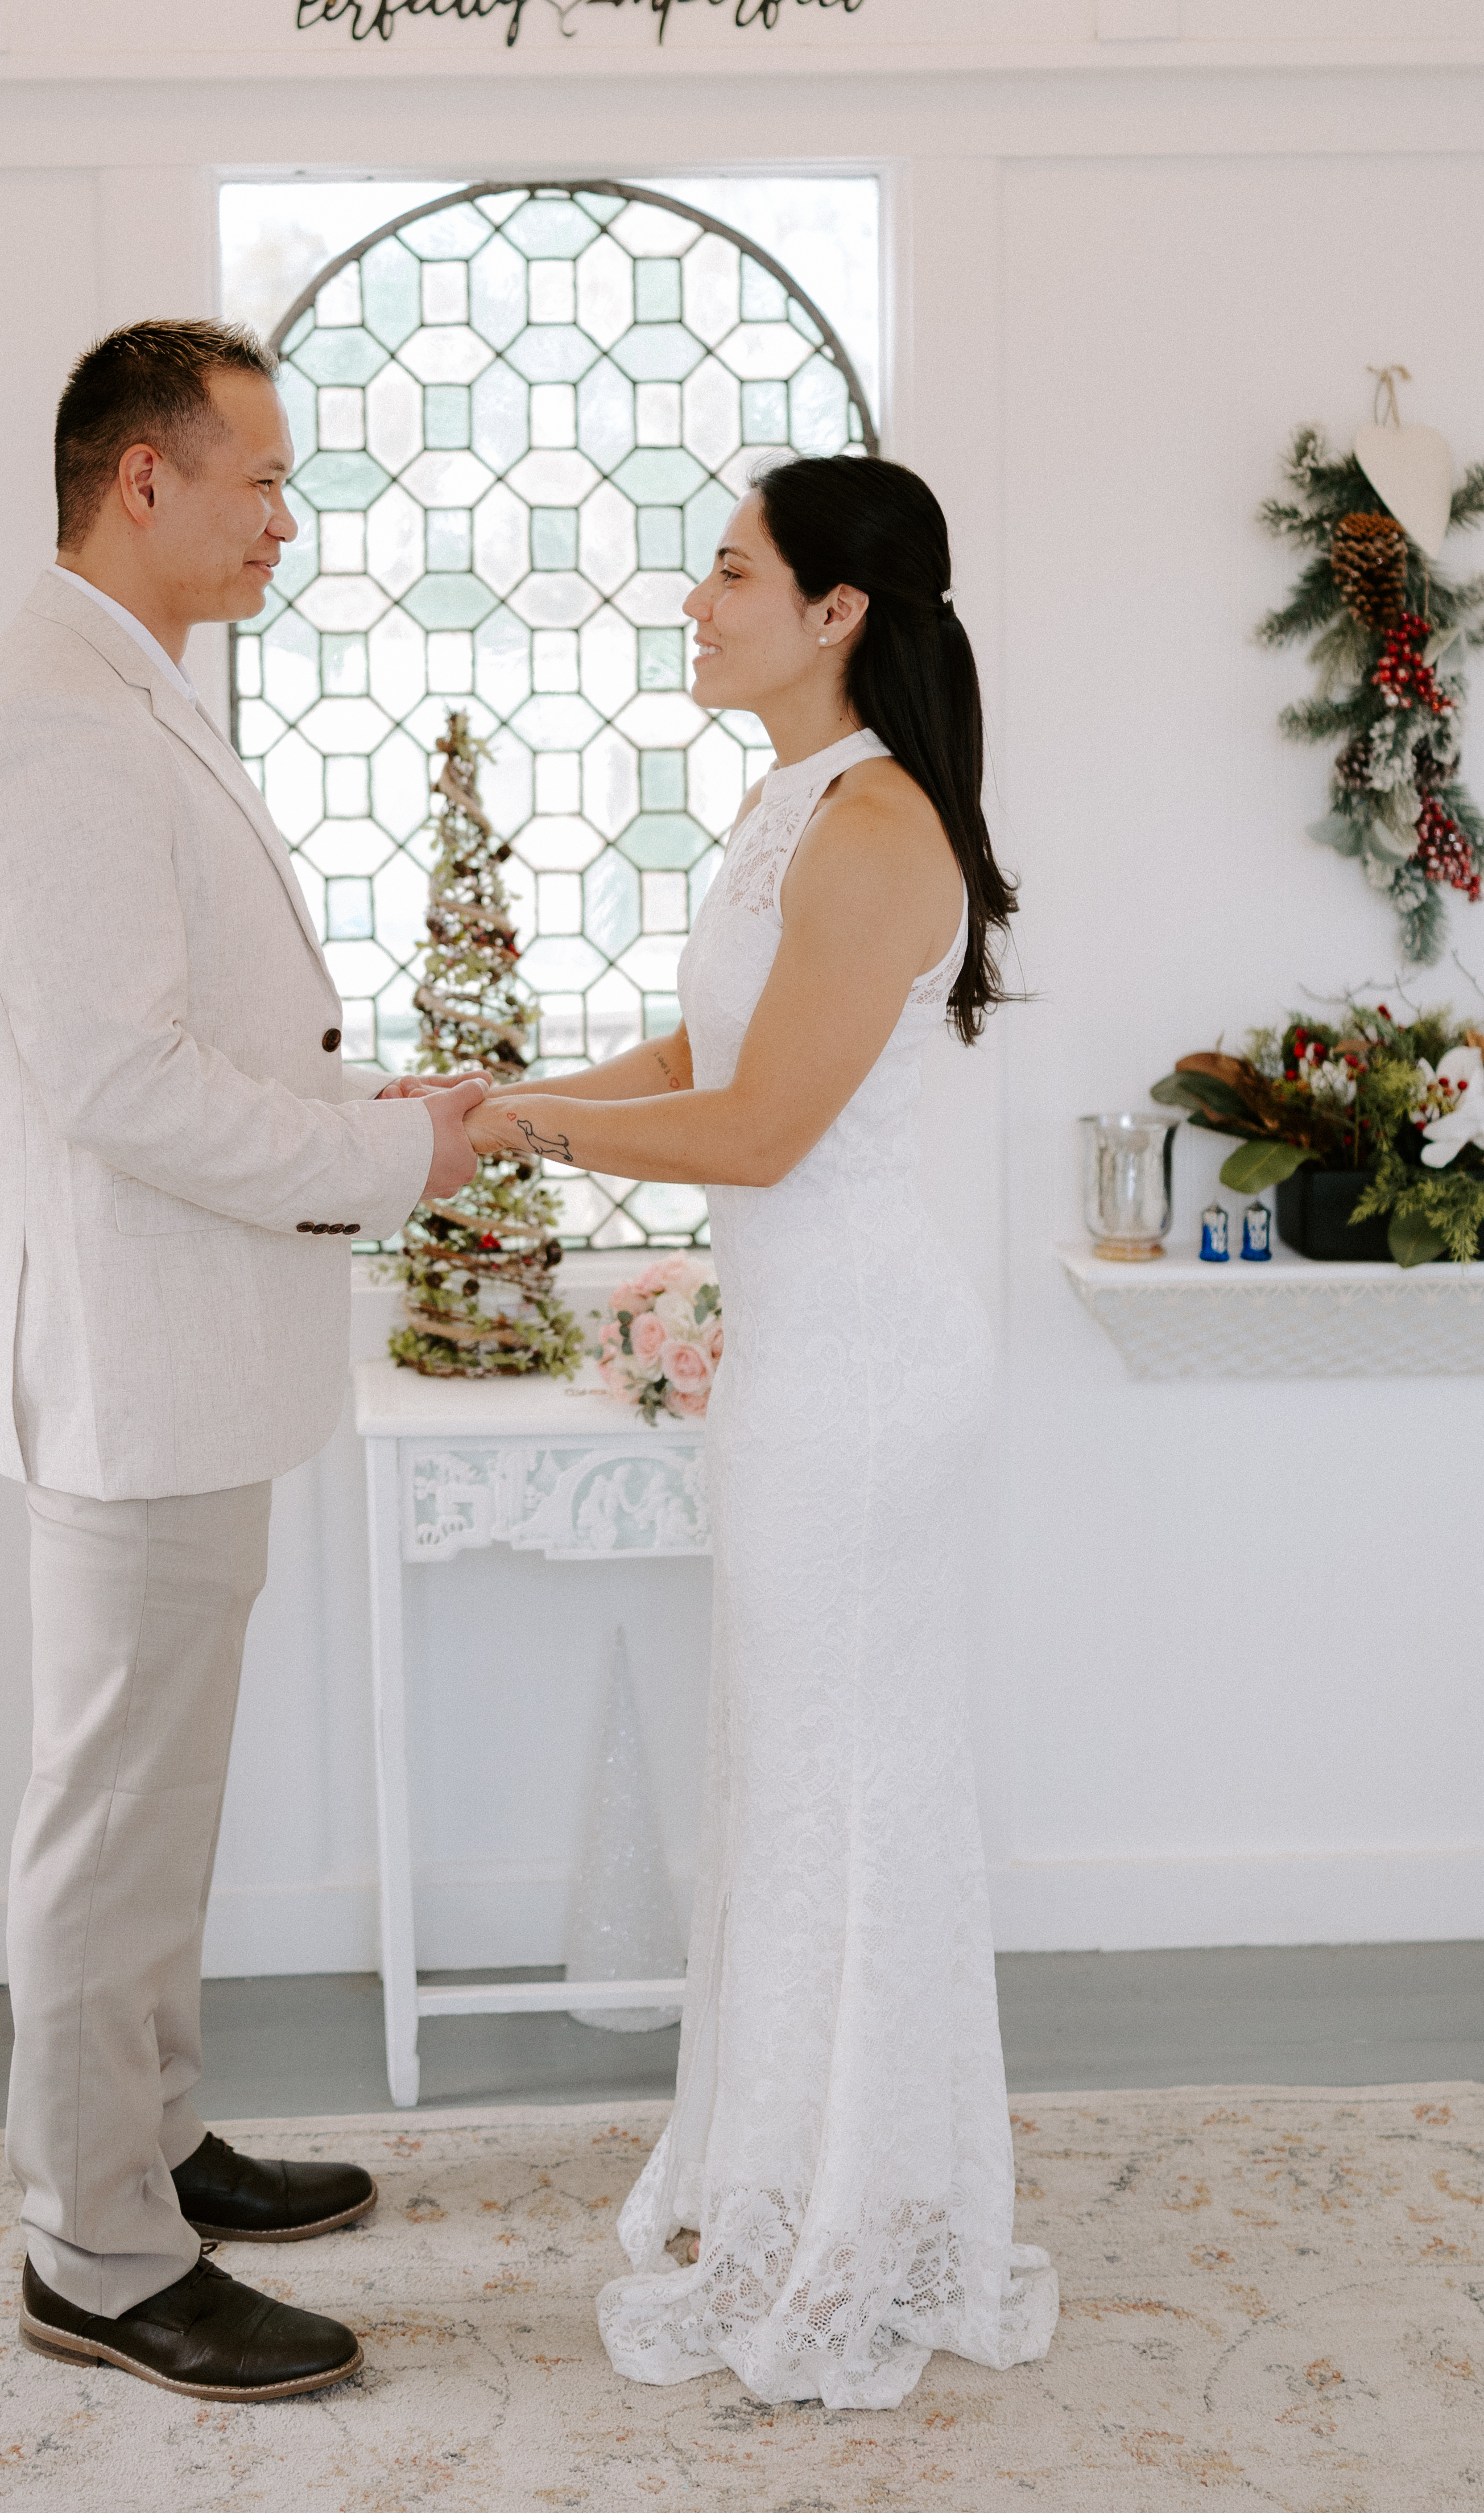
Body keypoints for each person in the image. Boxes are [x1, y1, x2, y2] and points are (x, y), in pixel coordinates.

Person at [466, 452, 1057, 2411]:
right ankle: (799, 2179)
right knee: (797, 1776)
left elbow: (760, 1131)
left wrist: (542, 1136)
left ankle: (867, 2214)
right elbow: (697, 1058)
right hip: (807, 1362)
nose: (694, 600)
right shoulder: (785, 804)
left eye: (730, 571)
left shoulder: (883, 826)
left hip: (871, 1372)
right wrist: (510, 1094)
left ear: (837, 615)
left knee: (848, 1790)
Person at [0, 319, 486, 2403]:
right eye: (258, 477)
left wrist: (372, 1116)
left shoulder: (119, 688)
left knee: (157, 1803)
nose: (287, 515)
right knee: (113, 1814)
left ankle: (155, 2139)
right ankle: (92, 2249)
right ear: (138, 480)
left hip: (188, 1359)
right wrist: (377, 1157)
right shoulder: (55, 717)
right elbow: (120, 1082)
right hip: (132, 1369)